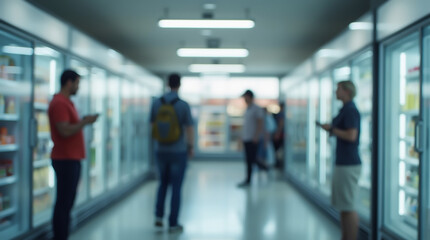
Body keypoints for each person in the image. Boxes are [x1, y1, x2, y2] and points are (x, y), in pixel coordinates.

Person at [48, 69, 98, 240]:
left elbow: (69, 125)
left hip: (71, 158)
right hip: (65, 159)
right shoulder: (60, 103)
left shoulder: (66, 102)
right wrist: (84, 122)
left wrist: (83, 120)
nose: (78, 87)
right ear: (68, 83)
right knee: (63, 203)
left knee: (66, 203)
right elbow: (64, 130)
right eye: (77, 83)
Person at [317, 80, 361, 240]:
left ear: (347, 91)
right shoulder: (345, 109)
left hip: (349, 164)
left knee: (348, 206)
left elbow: (351, 135)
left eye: (338, 89)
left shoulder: (350, 111)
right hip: (344, 162)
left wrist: (332, 129)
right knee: (344, 206)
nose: (336, 92)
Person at [150, 73, 194, 232]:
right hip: (178, 151)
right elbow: (189, 128)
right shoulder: (183, 105)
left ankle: (158, 217)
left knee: (162, 184)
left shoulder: (156, 103)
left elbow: (152, 126)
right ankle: (173, 222)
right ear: (179, 85)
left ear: (167, 84)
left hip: (160, 150)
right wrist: (190, 147)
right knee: (176, 187)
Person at [237, 90, 267, 187]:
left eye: (245, 97)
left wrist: (256, 136)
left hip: (253, 138)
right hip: (247, 138)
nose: (244, 99)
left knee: (251, 159)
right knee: (249, 159)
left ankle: (263, 169)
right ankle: (250, 178)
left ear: (249, 97)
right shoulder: (247, 109)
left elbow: (260, 123)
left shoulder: (256, 109)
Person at [273, 102, 285, 169]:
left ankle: (278, 163)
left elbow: (281, 124)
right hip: (280, 134)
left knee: (277, 149)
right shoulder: (283, 114)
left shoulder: (281, 114)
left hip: (280, 134)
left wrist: (277, 133)